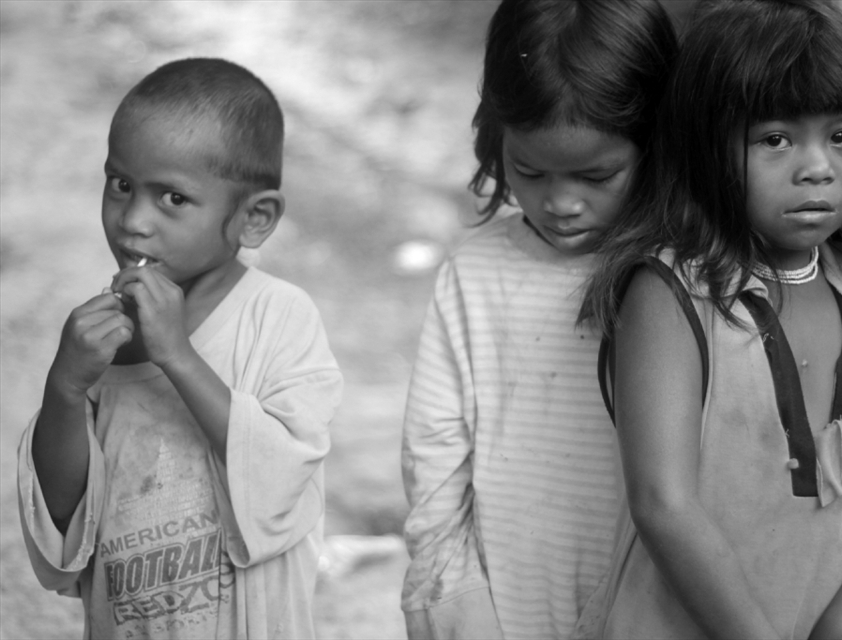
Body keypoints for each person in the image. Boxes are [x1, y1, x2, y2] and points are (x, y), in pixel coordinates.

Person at [575, 1, 842, 638]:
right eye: (775, 139)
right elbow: (664, 503)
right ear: (704, 147)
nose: (817, 167)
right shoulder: (671, 293)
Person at [17, 58, 343, 639]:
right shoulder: (108, 331)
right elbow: (65, 516)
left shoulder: (277, 317)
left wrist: (178, 356)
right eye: (121, 185)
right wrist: (65, 388)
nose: (133, 222)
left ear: (253, 218)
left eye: (172, 198)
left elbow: (283, 480)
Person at [400, 1, 677, 638]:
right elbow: (434, 456)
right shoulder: (474, 273)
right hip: (495, 615)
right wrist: (451, 599)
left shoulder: (678, 279)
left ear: (659, 140)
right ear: (493, 136)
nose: (561, 202)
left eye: (596, 174)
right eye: (529, 170)